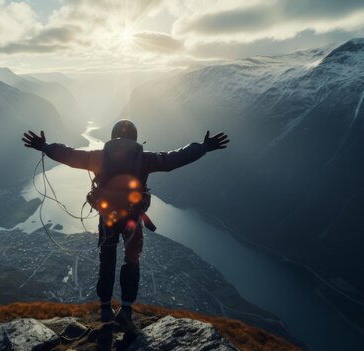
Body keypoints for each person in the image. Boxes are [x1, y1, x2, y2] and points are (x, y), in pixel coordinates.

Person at [22, 119, 229, 332]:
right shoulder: (144, 159)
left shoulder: (97, 157)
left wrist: (45, 147)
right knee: (132, 261)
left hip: (108, 217)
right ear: (135, 138)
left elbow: (69, 155)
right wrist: (203, 147)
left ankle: (105, 308)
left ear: (111, 137)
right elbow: (173, 159)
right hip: (132, 218)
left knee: (107, 259)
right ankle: (126, 310)